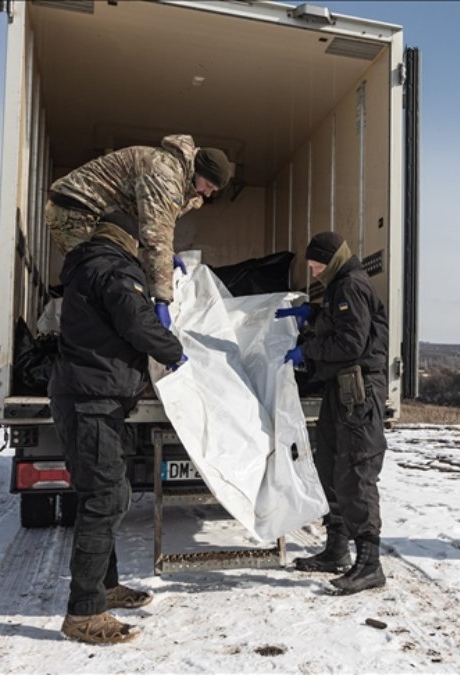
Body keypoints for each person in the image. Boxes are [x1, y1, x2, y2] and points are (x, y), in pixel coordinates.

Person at [49, 210, 187, 644]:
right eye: (143, 245)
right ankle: (84, 613)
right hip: (93, 400)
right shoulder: (112, 268)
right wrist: (173, 349)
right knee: (105, 498)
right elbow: (136, 323)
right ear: (130, 241)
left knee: (108, 494)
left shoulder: (88, 264)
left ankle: (105, 587)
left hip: (91, 395)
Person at [275, 231, 389, 595]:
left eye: (316, 265)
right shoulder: (341, 287)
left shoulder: (352, 285)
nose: (313, 273)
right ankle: (336, 549)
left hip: (360, 392)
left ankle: (369, 564)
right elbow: (343, 325)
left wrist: (306, 351)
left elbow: (351, 342)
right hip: (341, 390)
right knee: (330, 466)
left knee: (356, 471)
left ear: (333, 259)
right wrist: (315, 313)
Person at [45, 134, 234, 327]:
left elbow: (146, 224)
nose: (208, 193)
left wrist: (167, 256)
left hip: (97, 214)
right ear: (199, 171)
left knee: (110, 281)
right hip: (76, 210)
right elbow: (157, 237)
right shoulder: (165, 175)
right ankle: (73, 342)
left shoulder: (177, 174)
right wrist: (162, 299)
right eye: (209, 185)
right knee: (97, 281)